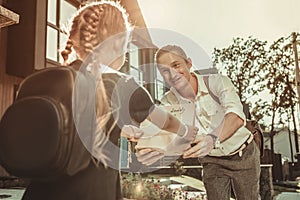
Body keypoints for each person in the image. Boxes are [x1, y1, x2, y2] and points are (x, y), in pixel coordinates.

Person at [22, 2, 198, 200]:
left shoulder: (45, 80)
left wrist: (121, 128)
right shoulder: (122, 86)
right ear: (115, 43)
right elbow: (165, 122)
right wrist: (187, 132)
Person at [138, 45, 260, 200]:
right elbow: (156, 129)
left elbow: (236, 116)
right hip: (212, 161)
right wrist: (144, 141)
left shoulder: (217, 83)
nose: (173, 74)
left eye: (176, 65)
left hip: (243, 153)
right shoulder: (168, 102)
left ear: (189, 63)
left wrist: (212, 139)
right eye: (165, 71)